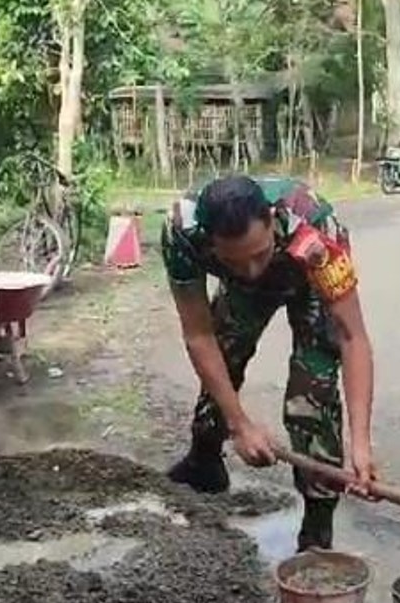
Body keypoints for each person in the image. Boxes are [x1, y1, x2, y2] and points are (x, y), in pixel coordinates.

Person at [160, 175, 377, 552]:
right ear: (209, 241)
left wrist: (360, 443)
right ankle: (205, 460)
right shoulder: (182, 232)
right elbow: (199, 335)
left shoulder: (317, 230)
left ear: (273, 219)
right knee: (222, 364)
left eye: (260, 254)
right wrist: (240, 424)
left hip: (306, 279)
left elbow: (352, 337)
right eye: (235, 259)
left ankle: (316, 531)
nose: (253, 270)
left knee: (311, 400)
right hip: (241, 295)